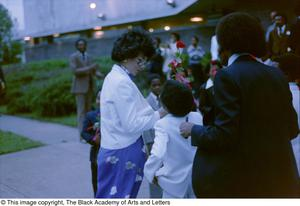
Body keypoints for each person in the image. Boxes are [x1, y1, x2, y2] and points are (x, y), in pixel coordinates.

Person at [180, 12, 299, 197]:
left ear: (224, 43)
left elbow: (224, 135)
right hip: (281, 177)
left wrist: (192, 130)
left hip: (248, 179)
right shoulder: (276, 75)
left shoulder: (226, 75)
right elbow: (292, 129)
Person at [96, 29, 167, 198]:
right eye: (140, 61)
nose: (142, 67)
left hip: (118, 150)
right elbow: (132, 124)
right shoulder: (121, 82)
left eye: (145, 62)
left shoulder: (115, 77)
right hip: (122, 153)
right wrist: (161, 113)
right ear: (127, 56)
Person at [144, 80, 202, 198]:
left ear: (165, 105)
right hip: (198, 178)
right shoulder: (197, 117)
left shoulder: (163, 124)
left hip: (174, 183)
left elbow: (157, 154)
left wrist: (150, 173)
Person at [69, 39, 101, 139]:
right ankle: (81, 136)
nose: (82, 46)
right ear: (77, 46)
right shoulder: (73, 57)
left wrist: (100, 74)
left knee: (89, 113)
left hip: (90, 87)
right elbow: (75, 71)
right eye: (80, 45)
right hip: (79, 88)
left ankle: (89, 134)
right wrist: (91, 68)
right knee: (81, 112)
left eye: (83, 44)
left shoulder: (89, 56)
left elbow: (94, 71)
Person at [142, 74, 163, 198]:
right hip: (153, 142)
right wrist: (149, 144)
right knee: (154, 171)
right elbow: (145, 126)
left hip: (165, 140)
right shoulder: (146, 102)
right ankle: (155, 198)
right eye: (154, 85)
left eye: (159, 85)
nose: (157, 87)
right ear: (150, 87)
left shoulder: (165, 100)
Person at [81, 90, 101, 197]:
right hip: (96, 153)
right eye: (98, 98)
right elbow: (83, 132)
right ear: (96, 101)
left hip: (112, 154)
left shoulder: (115, 115)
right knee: (96, 181)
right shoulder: (91, 115)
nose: (101, 100)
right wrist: (93, 139)